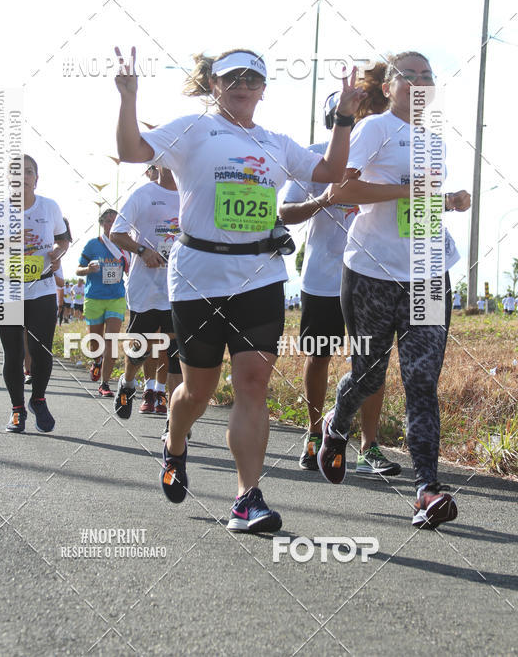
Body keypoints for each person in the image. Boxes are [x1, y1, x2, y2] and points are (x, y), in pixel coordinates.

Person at [115, 45, 362, 533]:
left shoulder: (276, 142)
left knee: (252, 384)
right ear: (215, 85)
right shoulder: (193, 129)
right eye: (232, 78)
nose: (242, 85)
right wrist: (128, 97)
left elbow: (330, 174)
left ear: (263, 89)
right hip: (198, 276)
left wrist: (343, 120)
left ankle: (247, 498)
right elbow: (130, 151)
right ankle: (174, 443)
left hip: (260, 275)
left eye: (252, 78)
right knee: (197, 391)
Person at [315, 51, 471, 530]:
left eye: (428, 75)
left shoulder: (435, 141)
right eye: (410, 75)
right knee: (368, 375)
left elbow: (422, 203)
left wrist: (447, 201)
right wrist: (409, 192)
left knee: (422, 381)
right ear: (388, 87)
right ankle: (336, 424)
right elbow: (341, 190)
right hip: (372, 272)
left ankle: (427, 489)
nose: (420, 82)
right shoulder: (374, 129)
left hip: (428, 272)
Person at [280, 69, 401, 477]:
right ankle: (315, 433)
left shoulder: (384, 161)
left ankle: (368, 447)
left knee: (371, 363)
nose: (356, 120)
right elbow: (284, 212)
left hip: (373, 278)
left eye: (364, 112)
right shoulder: (315, 156)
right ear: (333, 119)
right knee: (319, 355)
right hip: (324, 278)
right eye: (346, 114)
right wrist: (324, 200)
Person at [0, 155, 69, 433]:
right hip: (6, 289)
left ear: (36, 179)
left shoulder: (50, 207)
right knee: (13, 353)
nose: (23, 177)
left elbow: (63, 239)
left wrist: (57, 253)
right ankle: (17, 410)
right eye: (16, 172)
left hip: (41, 287)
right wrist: (7, 241)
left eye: (28, 172)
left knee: (42, 350)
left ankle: (38, 399)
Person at [110, 166, 181, 430]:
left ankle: (174, 420)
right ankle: (128, 382)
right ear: (158, 162)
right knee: (140, 348)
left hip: (180, 288)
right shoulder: (142, 195)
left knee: (175, 353)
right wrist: (142, 250)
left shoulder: (193, 193)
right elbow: (116, 233)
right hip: (146, 287)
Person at [76, 208, 129, 397]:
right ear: (101, 224)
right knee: (95, 343)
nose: (111, 225)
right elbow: (78, 269)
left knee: (111, 340)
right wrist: (88, 269)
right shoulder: (93, 245)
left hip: (116, 298)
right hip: (94, 297)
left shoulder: (125, 246)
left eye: (115, 221)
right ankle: (96, 362)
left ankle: (105, 384)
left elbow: (133, 269)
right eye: (108, 221)